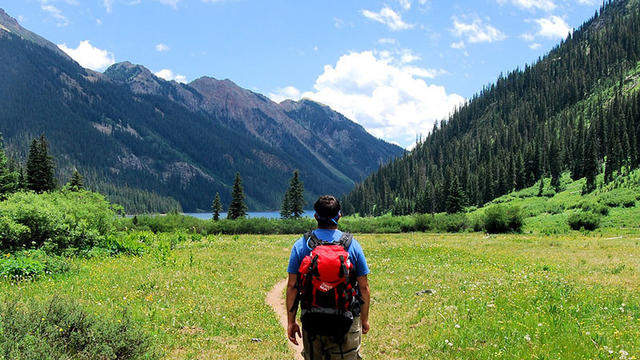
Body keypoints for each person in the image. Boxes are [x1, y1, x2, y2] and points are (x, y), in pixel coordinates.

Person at [286, 195, 370, 360]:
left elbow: (292, 286)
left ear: (315, 216)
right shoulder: (353, 245)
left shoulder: (301, 245)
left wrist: (291, 321)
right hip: (346, 320)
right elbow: (363, 288)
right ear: (339, 215)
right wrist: (364, 320)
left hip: (313, 320)